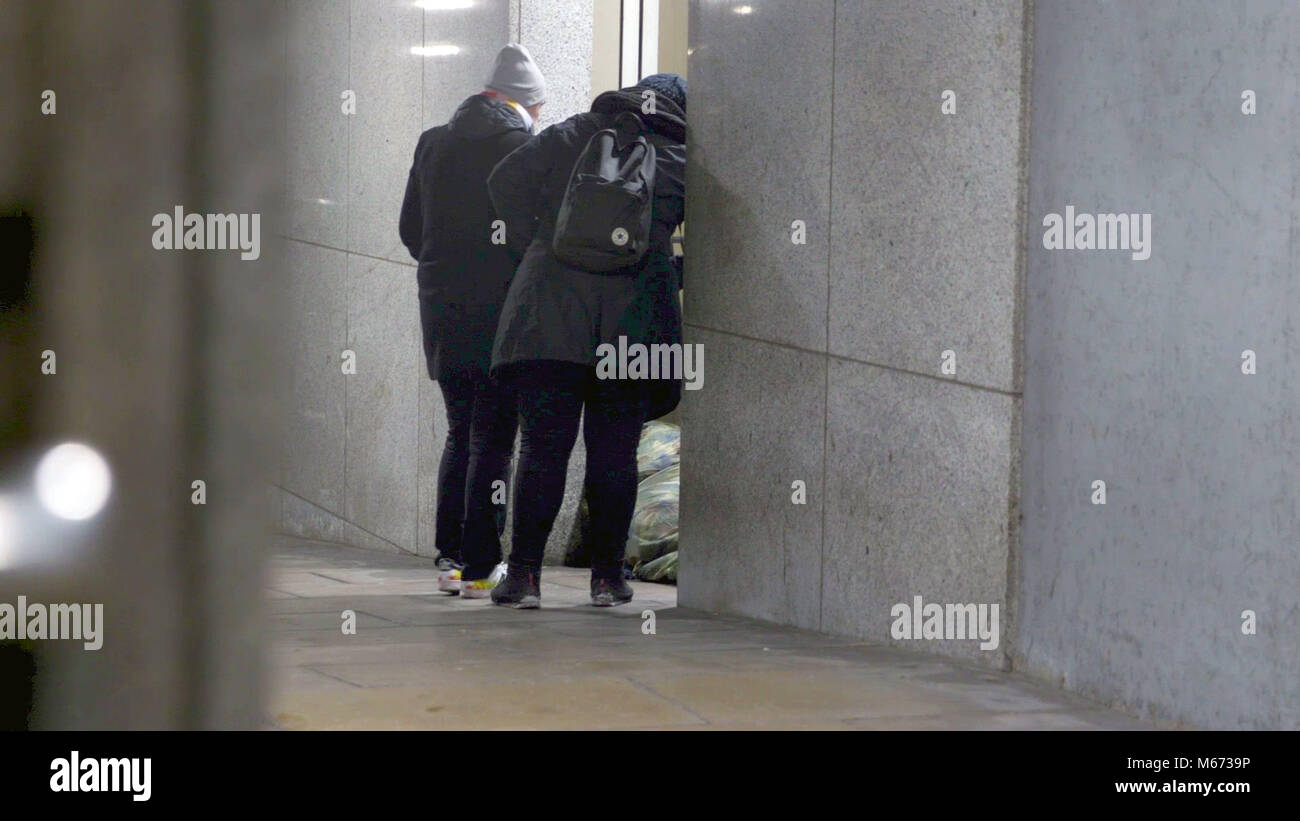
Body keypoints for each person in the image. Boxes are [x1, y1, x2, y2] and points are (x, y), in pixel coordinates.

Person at [486, 73, 687, 608]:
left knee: (543, 448)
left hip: (550, 314)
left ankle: (525, 577)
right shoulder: (677, 158)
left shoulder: (572, 131)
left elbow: (503, 181)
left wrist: (543, 238)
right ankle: (606, 579)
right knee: (615, 453)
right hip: (634, 324)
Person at [398, 44, 546, 597]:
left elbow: (411, 230)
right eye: (541, 107)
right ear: (524, 103)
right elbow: (529, 239)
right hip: (501, 313)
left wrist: (446, 276)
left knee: (462, 431)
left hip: (441, 310)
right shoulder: (521, 148)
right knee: (495, 440)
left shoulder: (433, 142)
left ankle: (453, 557)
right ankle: (482, 566)